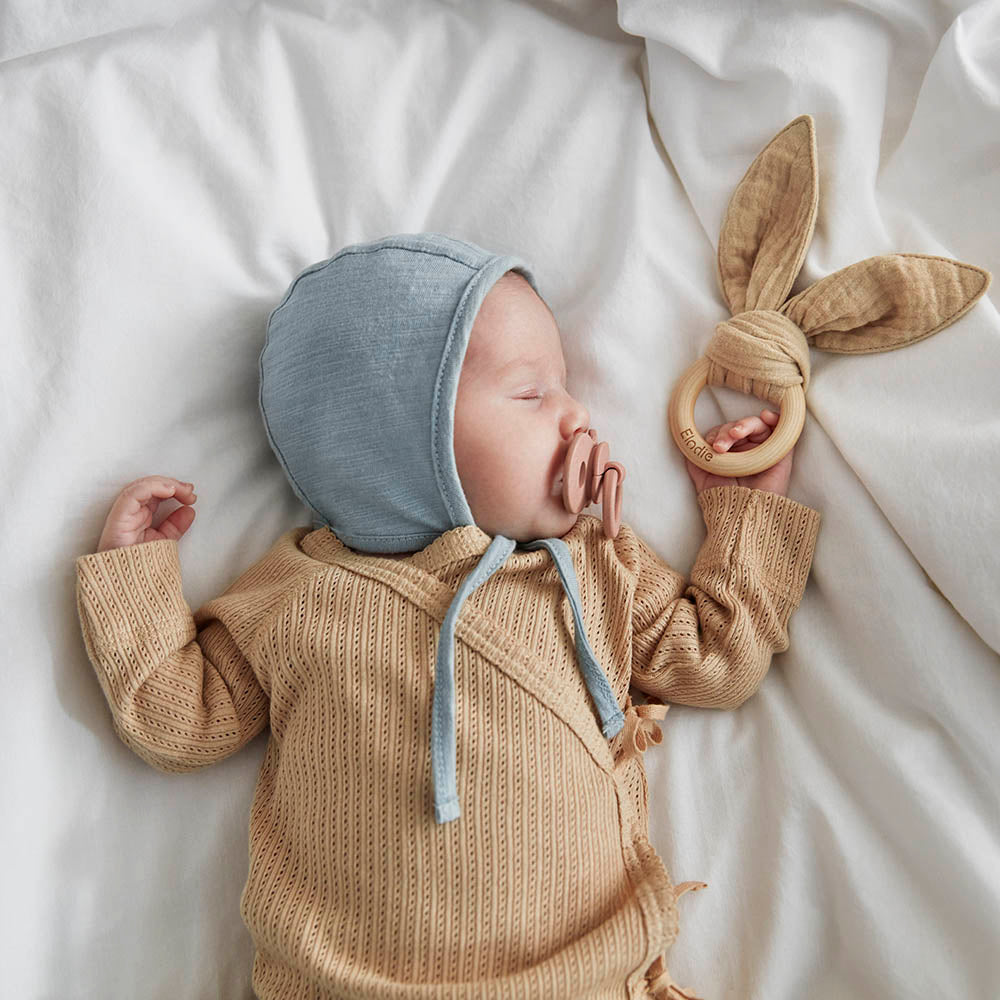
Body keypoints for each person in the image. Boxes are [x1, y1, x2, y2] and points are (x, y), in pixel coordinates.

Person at [75, 232, 821, 1000]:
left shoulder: (594, 567)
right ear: (401, 439)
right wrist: (135, 577)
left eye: (566, 387)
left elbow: (716, 661)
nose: (577, 415)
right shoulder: (292, 593)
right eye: (531, 394)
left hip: (577, 980)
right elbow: (179, 722)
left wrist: (746, 512)